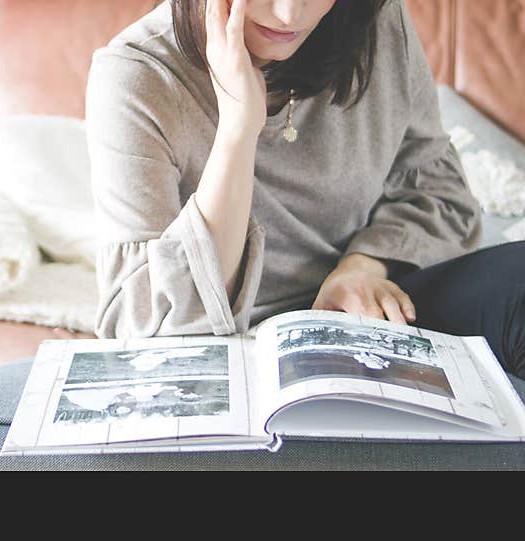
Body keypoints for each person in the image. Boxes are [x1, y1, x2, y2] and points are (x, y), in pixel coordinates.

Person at [86, 0, 525, 377]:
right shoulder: (136, 76)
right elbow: (148, 330)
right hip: (238, 352)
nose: (289, 14)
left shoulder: (373, 22)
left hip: (372, 309)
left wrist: (362, 268)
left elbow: (438, 188)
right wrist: (239, 129)